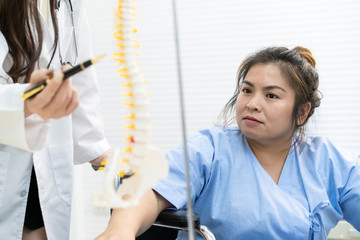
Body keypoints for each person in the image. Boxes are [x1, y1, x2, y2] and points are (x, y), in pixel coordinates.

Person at [95, 46, 360, 240]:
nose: (252, 104)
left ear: (301, 112)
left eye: (271, 95)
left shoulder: (330, 161)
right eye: (247, 90)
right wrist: (120, 230)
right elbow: (149, 190)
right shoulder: (209, 150)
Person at [0, 0, 110, 239]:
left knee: (41, 229)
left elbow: (80, 74)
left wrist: (99, 151)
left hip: (41, 165)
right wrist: (28, 101)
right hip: (5, 155)